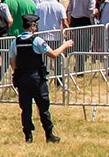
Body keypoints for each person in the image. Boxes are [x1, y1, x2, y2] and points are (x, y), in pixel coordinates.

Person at [12, 10, 70, 143]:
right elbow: (54, 54)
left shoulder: (16, 42)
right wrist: (65, 45)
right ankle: (49, 135)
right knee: (43, 107)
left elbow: (12, 61)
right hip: (36, 78)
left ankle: (28, 136)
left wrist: (17, 73)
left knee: (25, 108)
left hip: (22, 78)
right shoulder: (37, 40)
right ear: (32, 26)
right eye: (35, 25)